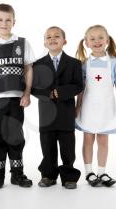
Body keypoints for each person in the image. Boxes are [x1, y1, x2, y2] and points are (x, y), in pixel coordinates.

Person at [0, 3, 35, 189]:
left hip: (16, 98)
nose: (4, 23)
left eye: (8, 20)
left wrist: (27, 93)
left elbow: (28, 68)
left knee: (16, 137)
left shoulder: (22, 43)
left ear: (14, 21)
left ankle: (17, 174)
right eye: (0, 20)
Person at [75, 25, 116, 187]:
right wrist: (78, 107)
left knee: (103, 141)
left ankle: (102, 172)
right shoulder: (84, 64)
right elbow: (81, 89)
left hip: (106, 108)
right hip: (88, 108)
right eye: (92, 38)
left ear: (107, 40)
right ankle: (89, 172)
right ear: (86, 42)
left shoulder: (114, 63)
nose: (96, 41)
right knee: (88, 139)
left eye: (100, 38)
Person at [32, 26, 83, 189]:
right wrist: (48, 93)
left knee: (67, 146)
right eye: (48, 37)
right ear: (45, 43)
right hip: (46, 113)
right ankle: (48, 175)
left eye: (56, 36)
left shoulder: (75, 63)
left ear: (64, 41)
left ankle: (69, 176)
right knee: (47, 145)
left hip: (66, 111)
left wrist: (59, 92)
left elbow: (78, 85)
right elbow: (32, 87)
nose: (52, 39)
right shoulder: (37, 64)